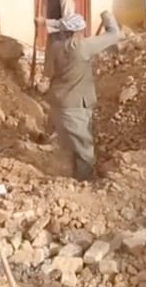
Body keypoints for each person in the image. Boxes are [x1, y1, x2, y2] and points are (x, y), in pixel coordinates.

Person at [43, 11, 122, 181]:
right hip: (75, 108)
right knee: (85, 153)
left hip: (57, 106)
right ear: (79, 31)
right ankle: (85, 186)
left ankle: (71, 180)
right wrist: (107, 16)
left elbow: (48, 72)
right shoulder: (82, 46)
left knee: (70, 150)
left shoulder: (54, 48)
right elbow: (115, 34)